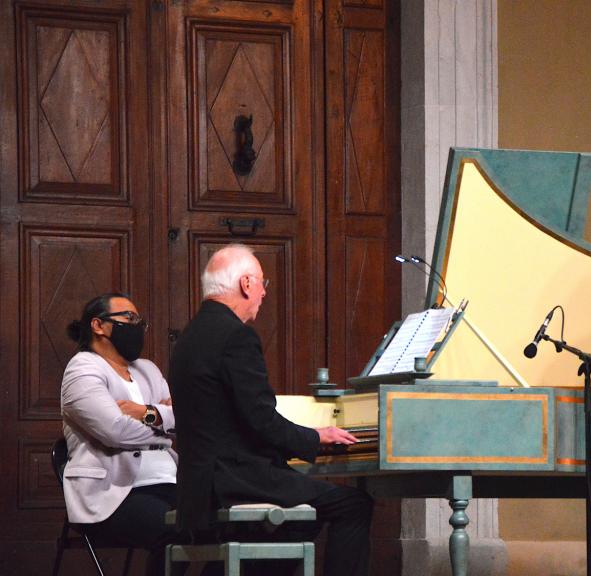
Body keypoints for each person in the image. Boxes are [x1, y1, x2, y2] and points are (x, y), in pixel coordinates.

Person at [169, 243, 373, 576]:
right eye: (263, 284)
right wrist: (316, 437)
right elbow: (260, 420)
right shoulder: (236, 336)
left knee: (295, 524)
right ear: (246, 284)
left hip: (198, 483)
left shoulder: (189, 336)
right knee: (353, 505)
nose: (264, 293)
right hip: (234, 479)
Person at [61, 293, 177, 576]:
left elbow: (187, 419)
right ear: (98, 325)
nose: (137, 326)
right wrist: (164, 430)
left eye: (140, 321)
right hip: (116, 494)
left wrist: (146, 413)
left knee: (228, 524)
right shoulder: (82, 369)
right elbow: (114, 431)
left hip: (172, 483)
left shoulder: (148, 369)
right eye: (129, 318)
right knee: (174, 529)